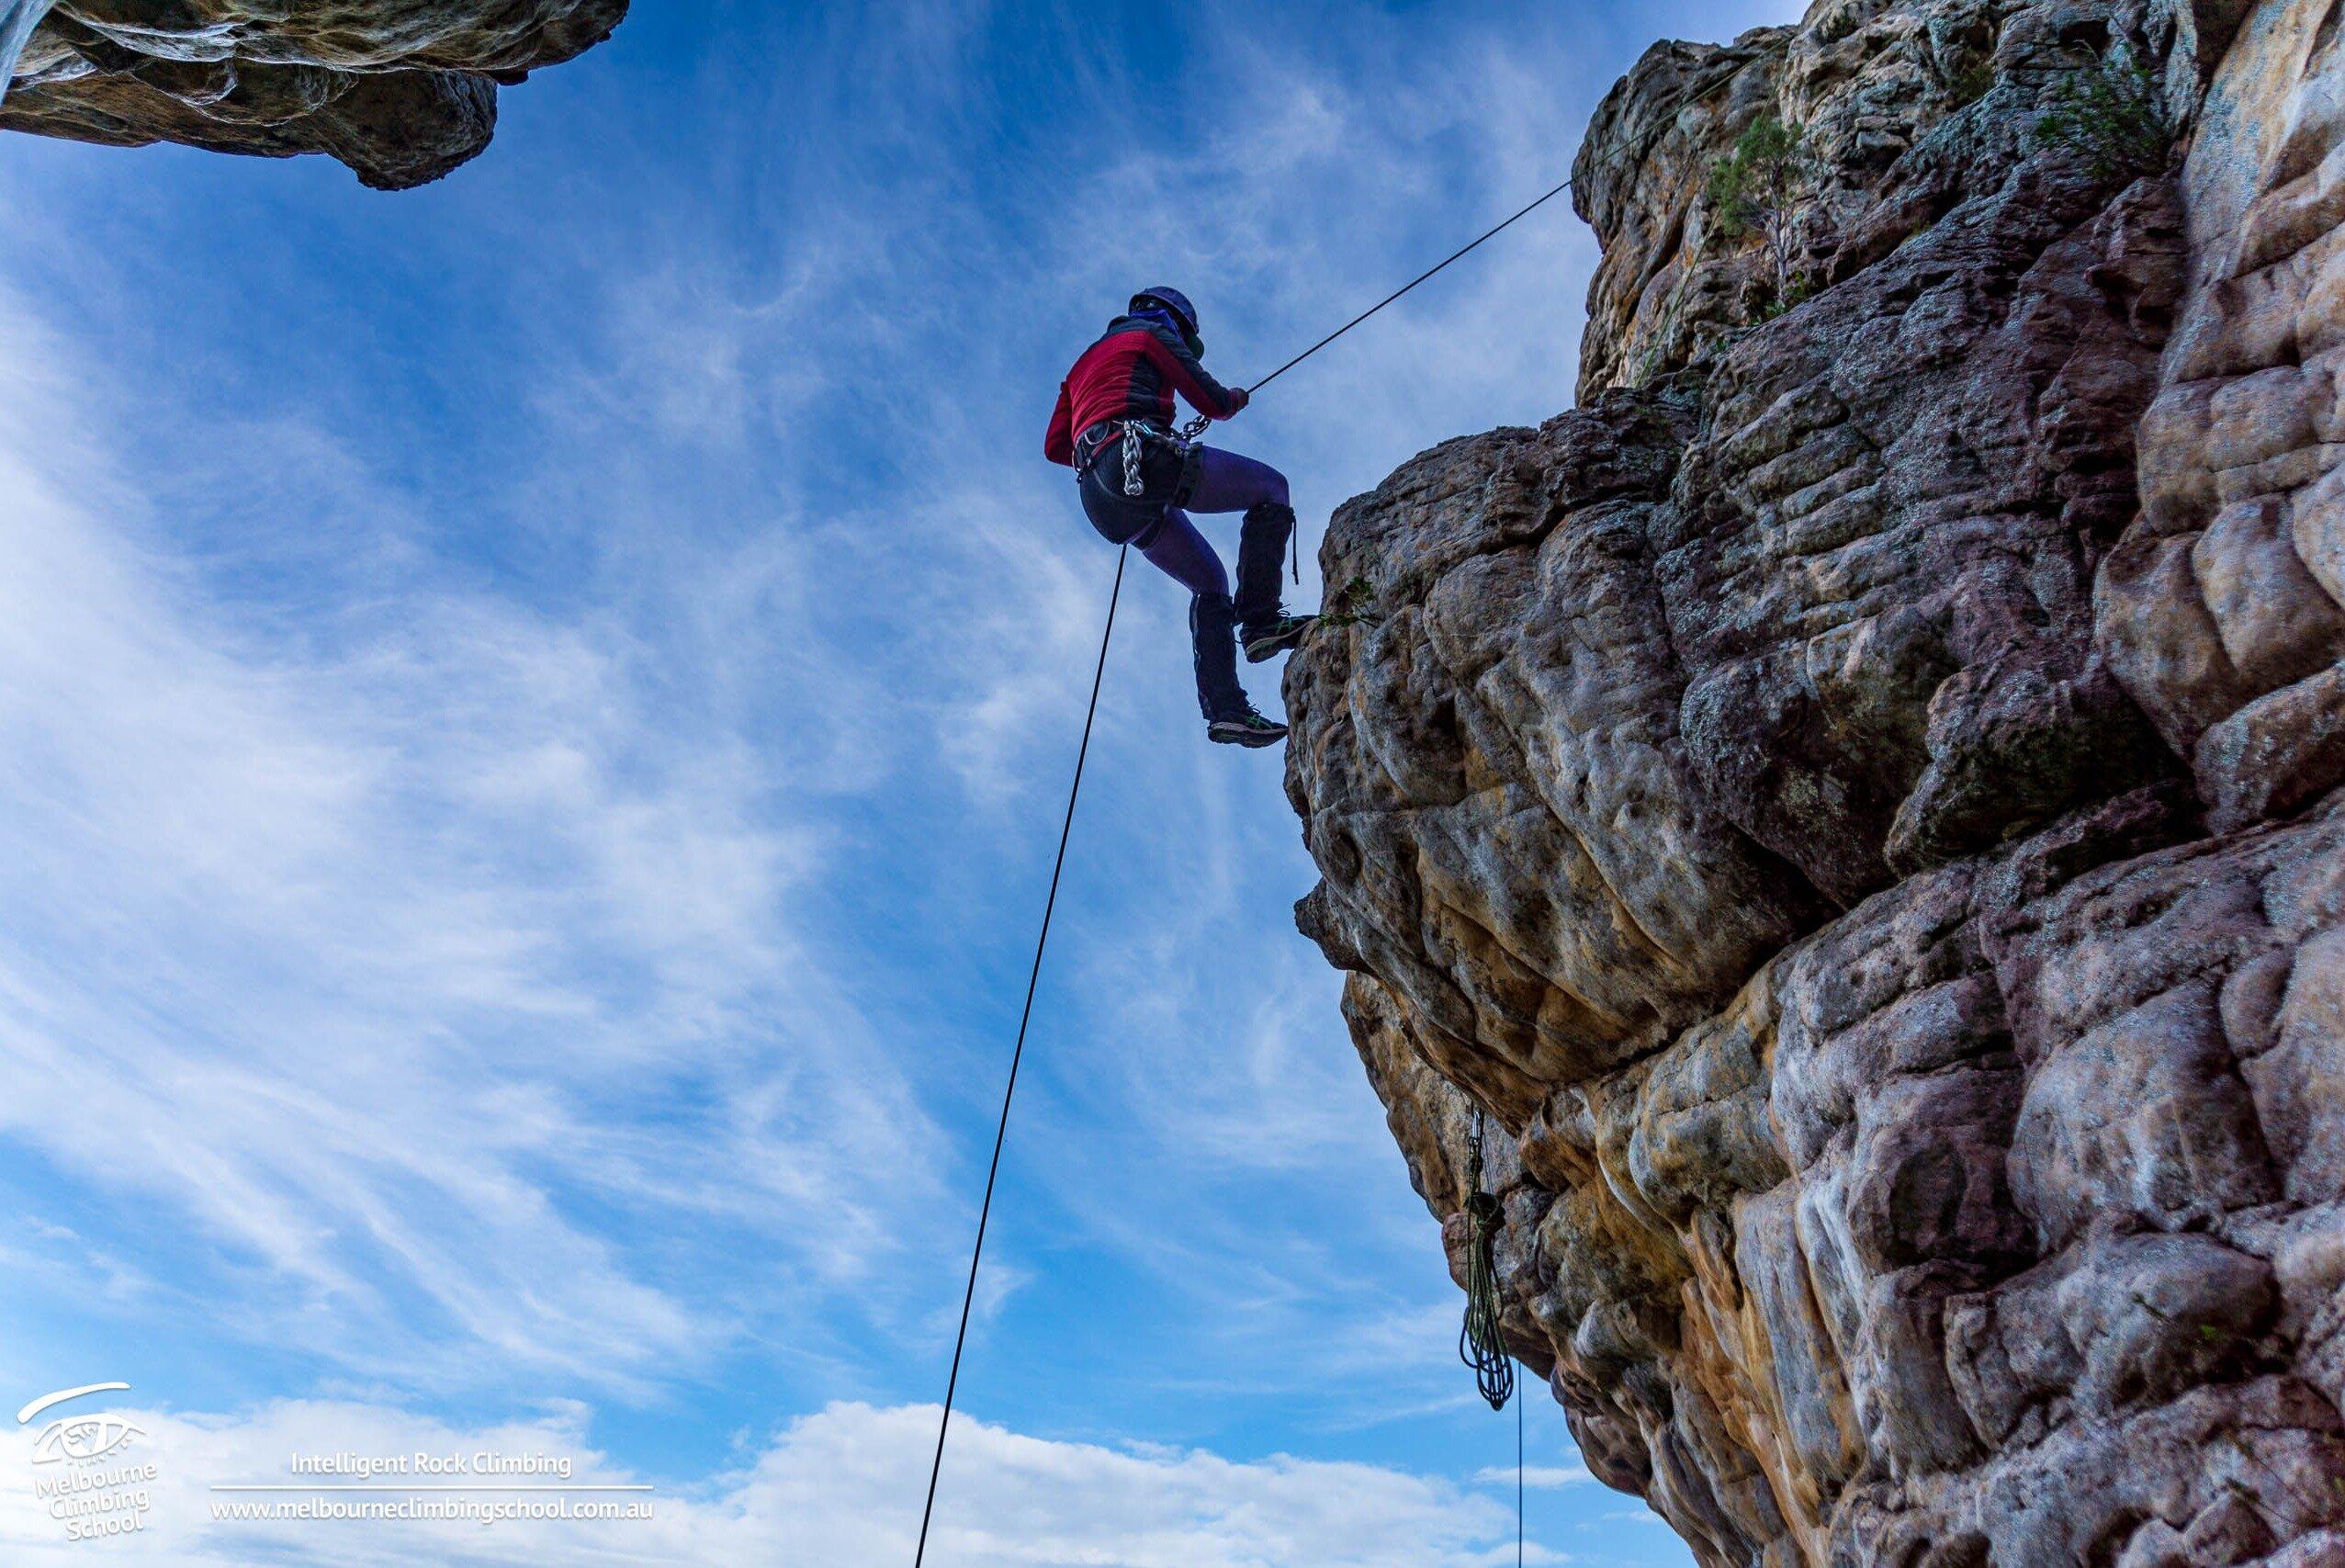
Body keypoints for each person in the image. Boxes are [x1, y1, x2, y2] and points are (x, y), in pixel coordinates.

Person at [1045, 287, 1314, 748]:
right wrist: (1232, 399)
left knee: (1209, 582)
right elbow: (1211, 400)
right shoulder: (1151, 335)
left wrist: (1105, 440)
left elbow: (1055, 446)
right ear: (1177, 323)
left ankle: (1227, 711)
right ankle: (1261, 621)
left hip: (1099, 496)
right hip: (1141, 458)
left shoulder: (1078, 369)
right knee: (1272, 489)